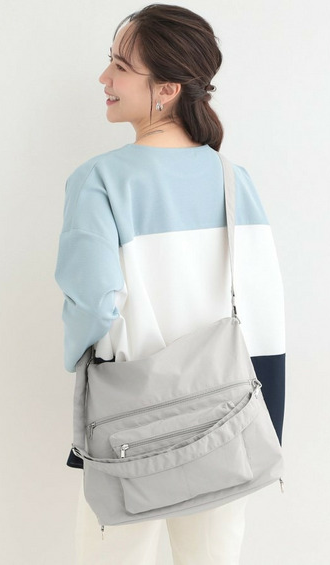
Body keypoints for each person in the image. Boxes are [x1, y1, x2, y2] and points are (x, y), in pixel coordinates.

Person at [54, 4, 286, 564]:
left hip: (129, 426)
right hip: (226, 422)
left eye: (120, 66)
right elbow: (264, 312)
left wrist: (80, 365)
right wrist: (267, 427)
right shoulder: (234, 180)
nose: (104, 78)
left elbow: (94, 304)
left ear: (167, 89)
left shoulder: (100, 180)